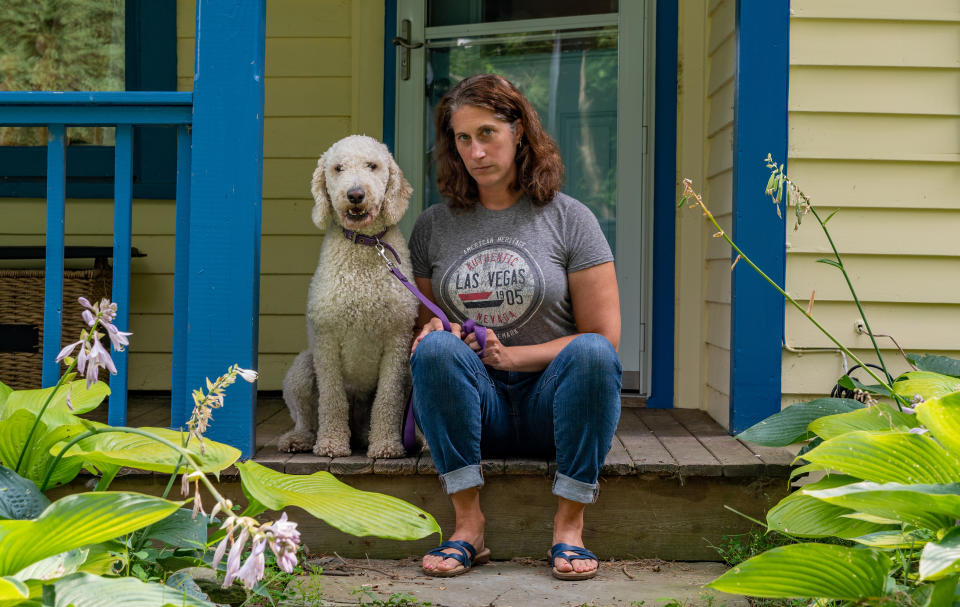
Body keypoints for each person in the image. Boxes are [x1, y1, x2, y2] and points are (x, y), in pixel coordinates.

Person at [408, 73, 622, 581]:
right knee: (435, 350)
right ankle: (468, 526)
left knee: (593, 355)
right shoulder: (432, 226)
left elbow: (604, 339)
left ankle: (569, 526)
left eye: (487, 133)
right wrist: (438, 336)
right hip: (477, 411)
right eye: (463, 138)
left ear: (519, 130)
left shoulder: (570, 219)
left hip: (554, 408)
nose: (475, 151)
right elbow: (428, 327)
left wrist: (516, 357)